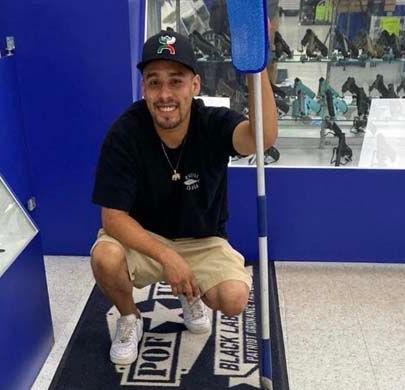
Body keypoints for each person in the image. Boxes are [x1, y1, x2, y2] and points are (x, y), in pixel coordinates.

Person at [91, 27, 278, 365]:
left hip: (202, 239)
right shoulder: (124, 133)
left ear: (195, 85)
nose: (165, 94)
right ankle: (130, 317)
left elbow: (261, 137)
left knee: (234, 298)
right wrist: (168, 257)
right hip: (144, 239)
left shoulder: (213, 123)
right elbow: (113, 218)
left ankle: (189, 293)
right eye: (154, 82)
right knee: (105, 257)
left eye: (176, 81)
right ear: (143, 88)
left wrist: (258, 63)